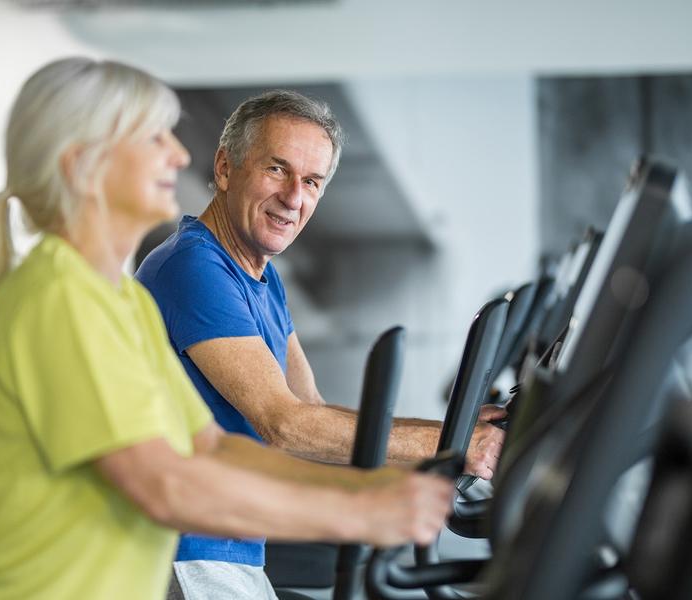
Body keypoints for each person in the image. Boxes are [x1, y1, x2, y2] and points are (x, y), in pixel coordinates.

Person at [0, 59, 455, 600]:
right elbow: (163, 483)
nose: (177, 154)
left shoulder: (119, 297)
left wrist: (381, 487)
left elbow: (212, 448)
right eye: (153, 138)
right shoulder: (61, 295)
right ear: (84, 161)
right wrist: (359, 510)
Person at [135, 90, 506, 598]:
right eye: (276, 170)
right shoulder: (194, 267)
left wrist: (456, 433)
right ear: (225, 168)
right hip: (184, 551)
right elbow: (283, 423)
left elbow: (310, 411)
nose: (294, 197)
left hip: (229, 548)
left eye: (311, 181)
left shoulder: (262, 277)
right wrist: (454, 444)